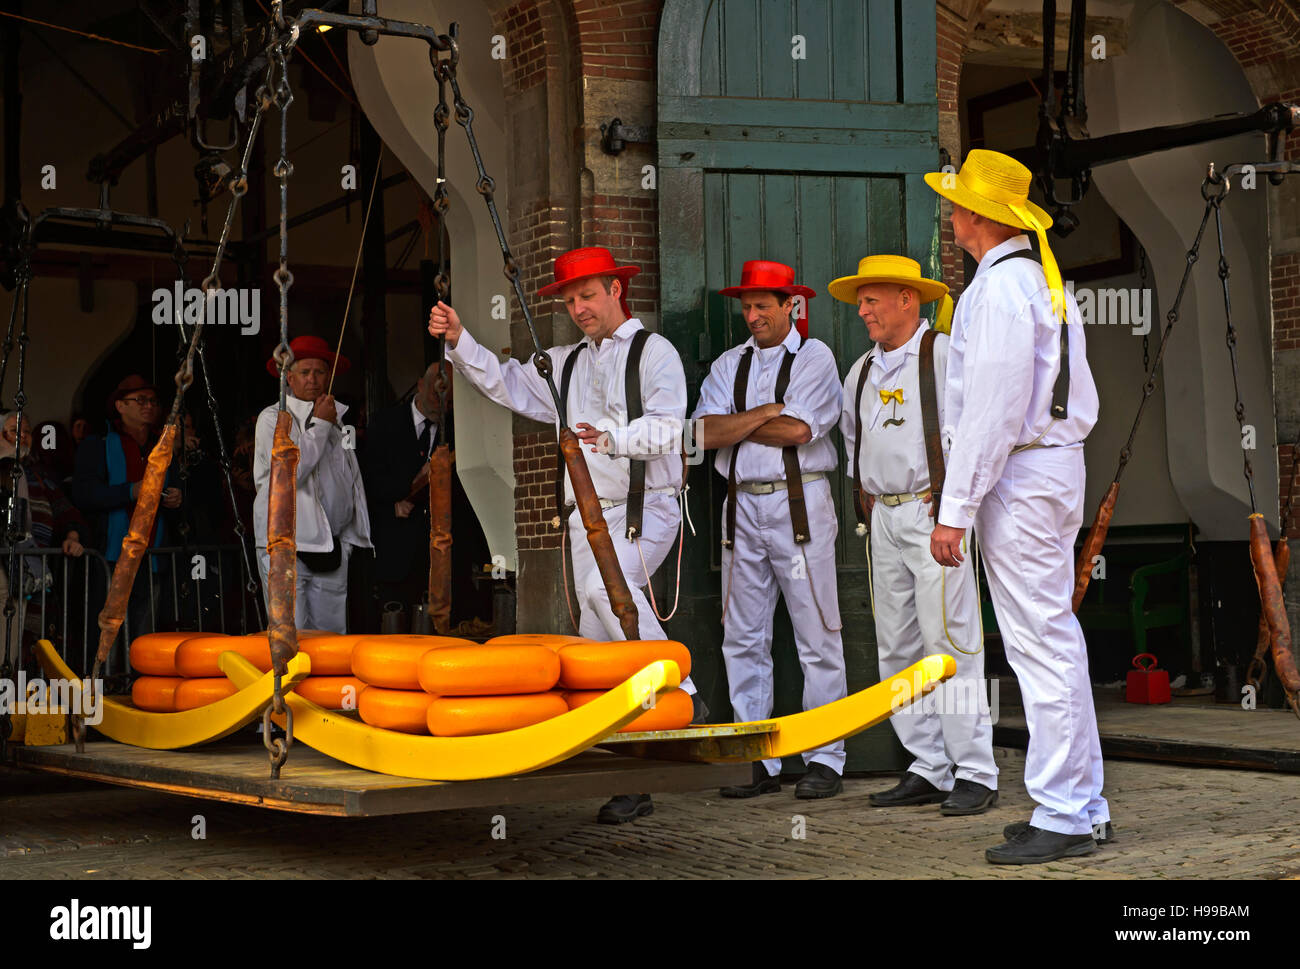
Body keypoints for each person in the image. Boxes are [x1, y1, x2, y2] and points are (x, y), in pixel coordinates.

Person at [428, 245, 701, 824]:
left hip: (643, 505)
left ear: (615, 290)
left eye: (587, 295)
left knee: (610, 596)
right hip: (586, 515)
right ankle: (636, 770)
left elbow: (669, 428)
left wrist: (608, 436)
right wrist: (459, 340)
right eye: (570, 298)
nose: (578, 307)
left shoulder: (656, 354)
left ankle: (687, 695)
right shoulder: (564, 363)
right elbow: (506, 384)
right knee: (599, 637)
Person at [923, 149, 1110, 864]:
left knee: (1040, 643)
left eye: (957, 202)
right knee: (1052, 637)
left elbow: (993, 410)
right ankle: (1080, 805)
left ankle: (1065, 809)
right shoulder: (1038, 283)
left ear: (974, 216)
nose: (951, 210)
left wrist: (955, 508)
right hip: (1047, 470)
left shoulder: (999, 292)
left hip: (1022, 474)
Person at [833, 255, 997, 815]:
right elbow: (853, 443)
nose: (862, 310)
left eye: (872, 299)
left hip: (936, 517)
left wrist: (953, 500)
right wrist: (873, 497)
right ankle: (928, 764)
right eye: (861, 301)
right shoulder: (859, 371)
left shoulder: (945, 355)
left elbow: (977, 429)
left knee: (951, 640)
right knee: (897, 644)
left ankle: (976, 769)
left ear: (909, 299)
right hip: (884, 516)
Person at [691, 259, 848, 800]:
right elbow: (704, 435)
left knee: (817, 631)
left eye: (763, 305)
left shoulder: (815, 356)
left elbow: (801, 430)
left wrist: (741, 422)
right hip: (740, 511)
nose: (752, 315)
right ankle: (757, 757)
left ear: (790, 306)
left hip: (799, 504)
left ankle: (826, 756)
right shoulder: (728, 362)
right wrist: (766, 413)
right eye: (747, 306)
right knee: (743, 635)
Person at [253, 335, 372, 634]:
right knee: (290, 635)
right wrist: (319, 425)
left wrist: (349, 537)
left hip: (333, 544)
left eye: (319, 372)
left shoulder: (338, 419)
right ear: (289, 378)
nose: (313, 380)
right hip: (286, 546)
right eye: (305, 373)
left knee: (331, 638)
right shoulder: (272, 418)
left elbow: (350, 479)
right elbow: (288, 475)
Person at [363, 360, 492, 631]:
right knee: (398, 633)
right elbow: (368, 481)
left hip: (444, 558)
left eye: (450, 399)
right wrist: (401, 496)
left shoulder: (460, 431)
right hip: (398, 549)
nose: (444, 403)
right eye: (437, 394)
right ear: (420, 386)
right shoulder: (384, 424)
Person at [72, 375, 183, 639]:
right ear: (120, 406)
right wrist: (130, 491)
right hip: (110, 556)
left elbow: (177, 489)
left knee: (145, 635)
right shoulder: (97, 444)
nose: (149, 406)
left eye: (153, 401)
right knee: (106, 634)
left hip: (153, 556)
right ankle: (106, 681)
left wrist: (177, 497)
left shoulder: (163, 446)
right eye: (140, 400)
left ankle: (140, 682)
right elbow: (84, 494)